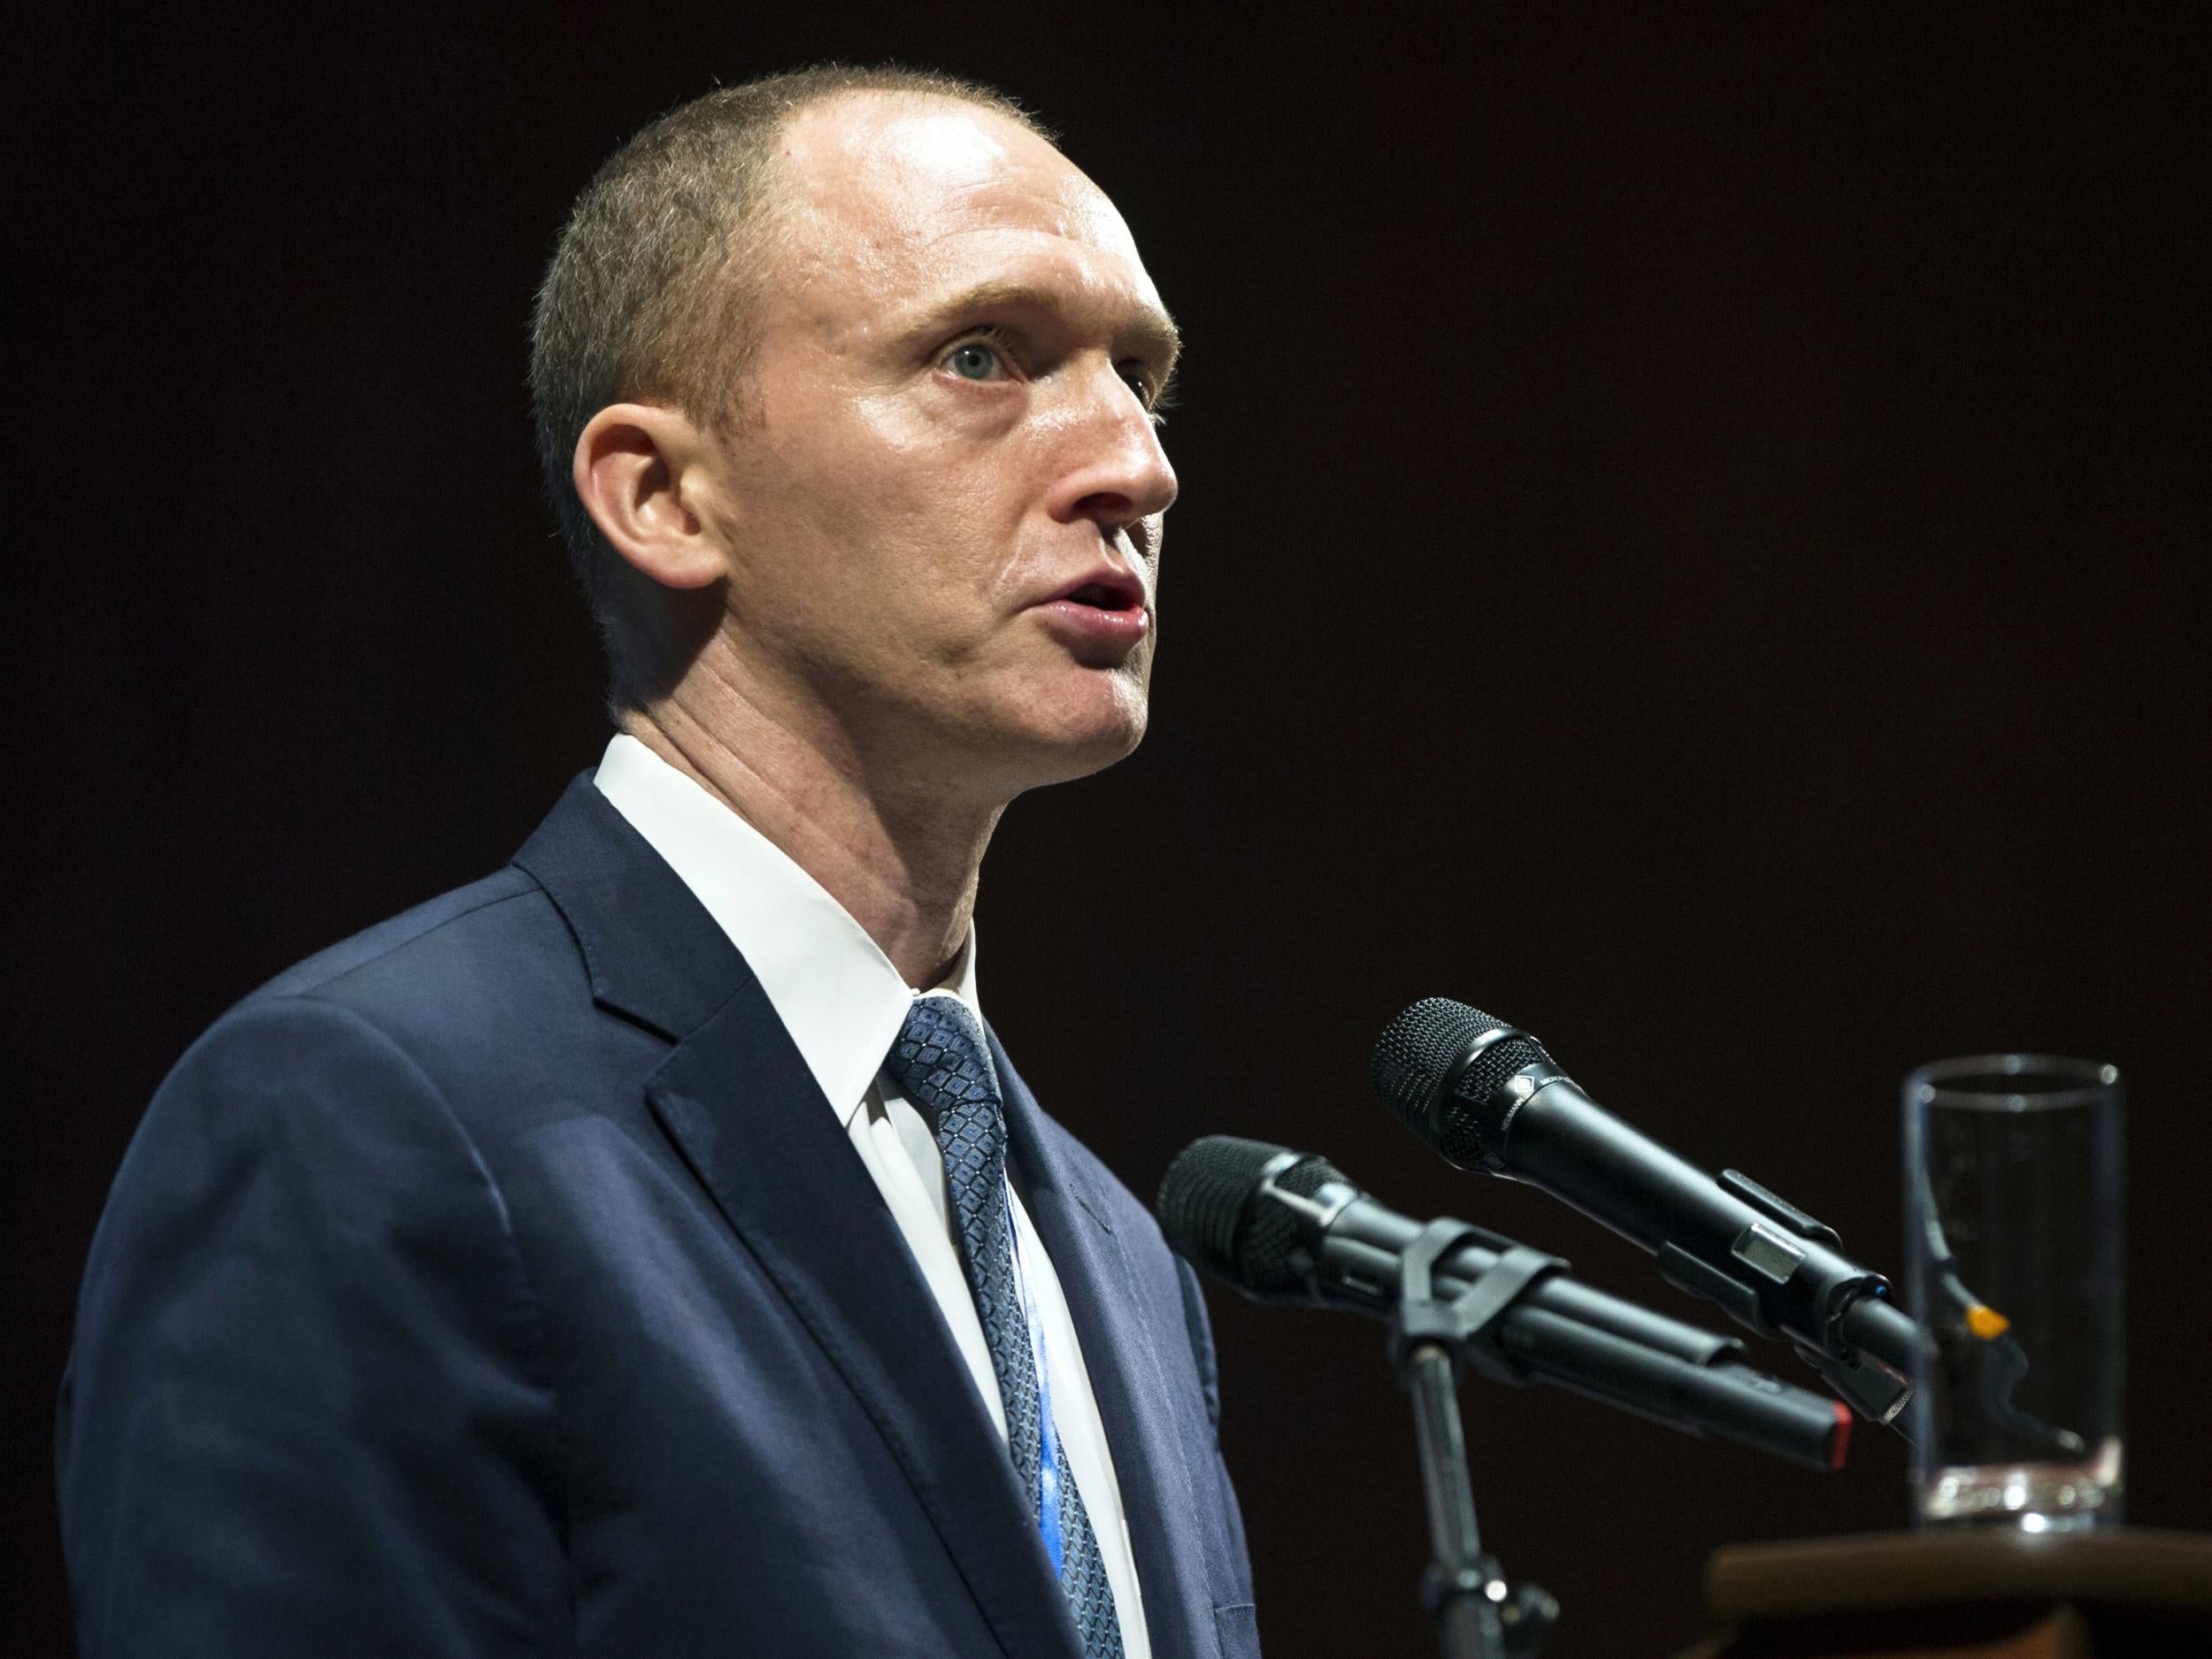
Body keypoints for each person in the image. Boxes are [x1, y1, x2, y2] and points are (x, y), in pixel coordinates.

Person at [58, 65, 1259, 1659]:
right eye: (985, 356)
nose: (1137, 466)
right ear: (664, 495)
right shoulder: (364, 1117)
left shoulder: (1114, 1253)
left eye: (1142, 380)